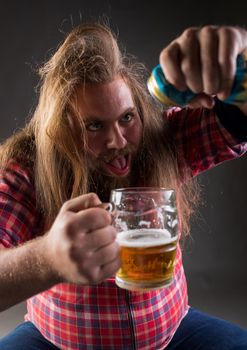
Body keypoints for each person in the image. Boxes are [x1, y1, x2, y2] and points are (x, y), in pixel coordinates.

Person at [0, 21, 246, 350]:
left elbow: (238, 118)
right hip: (54, 341)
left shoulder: (160, 141)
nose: (117, 140)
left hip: (174, 334)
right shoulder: (27, 170)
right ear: (60, 131)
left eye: (126, 117)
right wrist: (49, 259)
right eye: (94, 126)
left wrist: (239, 57)